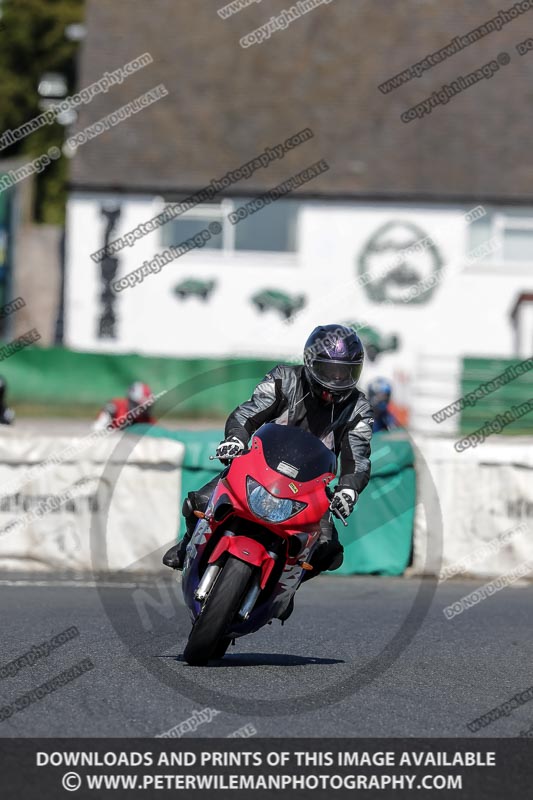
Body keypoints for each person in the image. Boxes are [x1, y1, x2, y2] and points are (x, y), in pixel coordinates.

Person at [163, 324, 374, 590]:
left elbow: (359, 456)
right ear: (310, 362)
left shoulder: (359, 409)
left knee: (328, 551)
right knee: (200, 501)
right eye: (329, 370)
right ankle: (186, 547)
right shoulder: (283, 378)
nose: (335, 380)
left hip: (311, 489)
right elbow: (248, 413)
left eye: (345, 372)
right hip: (258, 468)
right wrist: (236, 438)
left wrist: (348, 491)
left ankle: (285, 587)